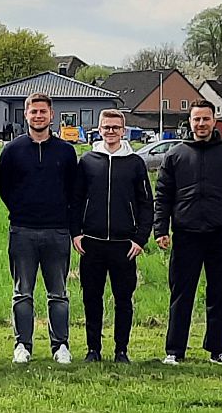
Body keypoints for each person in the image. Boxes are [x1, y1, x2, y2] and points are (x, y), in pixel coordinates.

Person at [155, 100, 222, 366]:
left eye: (205, 119)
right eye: (196, 120)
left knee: (219, 293)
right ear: (190, 122)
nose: (201, 124)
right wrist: (161, 229)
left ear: (214, 121)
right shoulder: (175, 155)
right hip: (186, 234)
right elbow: (163, 195)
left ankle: (216, 349)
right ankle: (175, 350)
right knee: (181, 293)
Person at [0, 92, 79, 366]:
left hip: (57, 231)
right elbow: (5, 189)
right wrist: (21, 210)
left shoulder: (66, 152)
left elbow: (73, 191)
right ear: (26, 115)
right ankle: (22, 344)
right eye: (34, 112)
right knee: (23, 292)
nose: (39, 116)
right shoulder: (12, 151)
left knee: (58, 293)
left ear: (52, 115)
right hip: (22, 230)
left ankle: (61, 345)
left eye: (43, 112)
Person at [73, 109, 153, 364]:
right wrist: (76, 233)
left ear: (123, 130)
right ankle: (93, 349)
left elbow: (146, 204)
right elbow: (75, 200)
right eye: (106, 127)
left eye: (115, 128)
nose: (110, 132)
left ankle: (121, 350)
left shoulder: (135, 163)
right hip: (92, 244)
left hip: (123, 246)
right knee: (92, 299)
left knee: (123, 300)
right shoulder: (87, 161)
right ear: (99, 129)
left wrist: (140, 239)